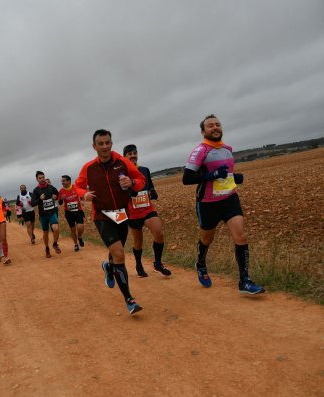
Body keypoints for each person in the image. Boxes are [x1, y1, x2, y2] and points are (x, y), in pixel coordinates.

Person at [182, 114, 265, 294]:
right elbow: (186, 178)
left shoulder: (227, 149)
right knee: (207, 239)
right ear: (203, 131)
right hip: (208, 203)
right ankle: (201, 263)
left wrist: (234, 178)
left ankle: (245, 280)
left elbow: (224, 175)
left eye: (217, 124)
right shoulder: (200, 151)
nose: (215, 127)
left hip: (229, 199)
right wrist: (211, 176)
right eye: (210, 125)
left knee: (241, 236)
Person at [73, 129, 146, 315]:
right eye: (101, 144)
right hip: (102, 215)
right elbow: (77, 186)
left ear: (111, 144)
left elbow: (140, 179)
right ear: (94, 146)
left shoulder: (123, 162)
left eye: (107, 143)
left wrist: (131, 182)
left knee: (116, 253)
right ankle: (129, 299)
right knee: (119, 254)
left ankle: (108, 267)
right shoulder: (89, 168)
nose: (105, 147)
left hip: (121, 213)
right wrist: (84, 194)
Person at [122, 144, 172, 277]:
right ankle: (138, 264)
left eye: (135, 153)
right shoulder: (122, 174)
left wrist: (153, 191)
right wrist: (128, 194)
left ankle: (157, 263)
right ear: (124, 157)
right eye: (130, 154)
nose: (133, 155)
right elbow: (119, 193)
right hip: (132, 213)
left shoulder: (145, 170)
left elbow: (149, 184)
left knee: (159, 233)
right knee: (138, 242)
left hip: (147, 209)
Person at [31, 171, 61, 258]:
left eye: (43, 177)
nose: (42, 179)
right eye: (40, 178)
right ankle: (47, 248)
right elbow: (33, 203)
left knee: (56, 228)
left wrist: (55, 196)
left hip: (52, 212)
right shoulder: (36, 190)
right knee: (46, 232)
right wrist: (40, 199)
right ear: (37, 179)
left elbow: (57, 193)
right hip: (43, 215)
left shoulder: (50, 187)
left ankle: (55, 244)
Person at [58, 175, 85, 252]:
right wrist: (61, 199)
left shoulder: (75, 187)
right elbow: (60, 203)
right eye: (62, 181)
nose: (62, 182)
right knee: (73, 230)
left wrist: (82, 200)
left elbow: (81, 194)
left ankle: (79, 237)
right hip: (69, 212)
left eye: (64, 181)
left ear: (69, 181)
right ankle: (76, 244)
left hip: (78, 210)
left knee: (80, 227)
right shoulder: (61, 191)